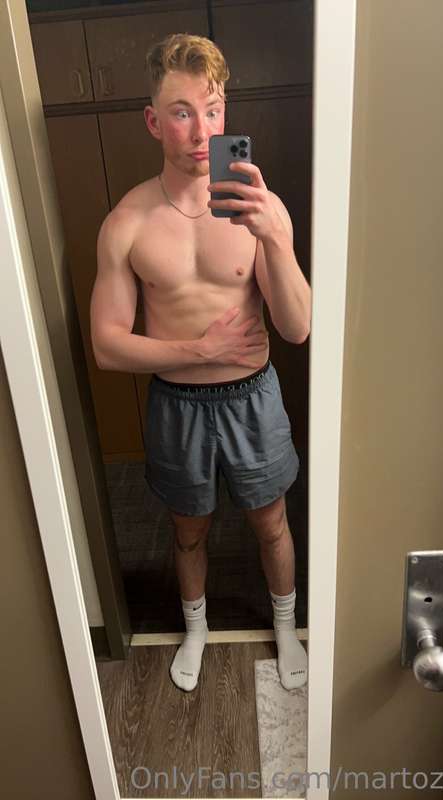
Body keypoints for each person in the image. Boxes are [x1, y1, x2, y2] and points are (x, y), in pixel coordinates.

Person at [90, 32, 311, 693]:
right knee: (188, 530)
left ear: (225, 114)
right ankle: (195, 629)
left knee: (270, 522)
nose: (200, 130)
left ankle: (285, 627)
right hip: (178, 403)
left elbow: (296, 327)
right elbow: (106, 345)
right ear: (154, 121)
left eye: (212, 110)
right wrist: (200, 350)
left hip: (253, 396)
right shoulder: (126, 222)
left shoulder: (258, 211)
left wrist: (276, 239)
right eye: (182, 112)